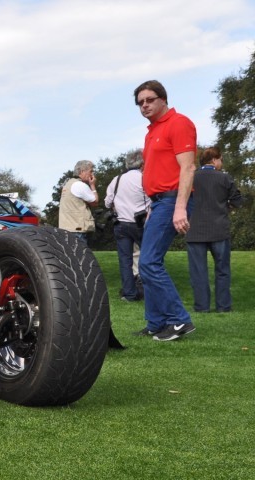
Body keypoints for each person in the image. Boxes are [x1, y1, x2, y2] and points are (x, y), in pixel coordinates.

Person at [134, 79, 196, 341]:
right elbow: (156, 171)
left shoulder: (179, 123)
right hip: (158, 202)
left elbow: (188, 168)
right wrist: (152, 205)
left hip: (172, 201)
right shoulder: (152, 132)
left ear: (162, 99)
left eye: (149, 100)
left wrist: (179, 207)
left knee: (148, 262)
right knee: (149, 263)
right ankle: (156, 323)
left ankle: (179, 321)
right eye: (140, 103)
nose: (144, 105)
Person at [186, 147, 243, 313]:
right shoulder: (225, 178)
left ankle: (202, 307)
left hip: (195, 230)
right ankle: (223, 307)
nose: (221, 163)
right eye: (221, 160)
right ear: (214, 160)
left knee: (198, 272)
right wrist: (225, 207)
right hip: (219, 229)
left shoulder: (191, 178)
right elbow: (237, 200)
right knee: (222, 270)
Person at [105, 153, 150, 301]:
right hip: (140, 223)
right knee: (149, 256)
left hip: (121, 223)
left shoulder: (116, 180)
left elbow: (107, 202)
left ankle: (129, 293)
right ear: (141, 164)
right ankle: (148, 289)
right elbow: (152, 198)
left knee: (125, 260)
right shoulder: (144, 178)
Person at [58, 160, 98, 243]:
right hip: (77, 230)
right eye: (91, 171)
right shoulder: (80, 185)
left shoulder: (68, 184)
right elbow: (95, 202)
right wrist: (92, 185)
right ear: (82, 171)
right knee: (81, 255)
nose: (92, 174)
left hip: (66, 229)